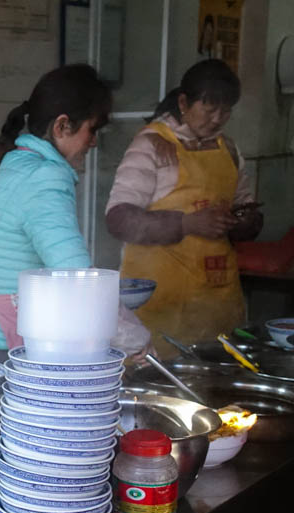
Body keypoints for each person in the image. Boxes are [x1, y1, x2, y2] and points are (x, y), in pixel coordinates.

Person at [106, 60, 262, 356]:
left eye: (226, 110)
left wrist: (243, 222)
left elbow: (248, 208)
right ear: (183, 103)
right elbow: (119, 219)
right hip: (160, 306)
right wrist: (188, 224)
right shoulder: (152, 145)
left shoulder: (228, 148)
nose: (218, 118)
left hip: (217, 303)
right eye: (209, 108)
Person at [0, 65, 112, 353]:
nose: (94, 141)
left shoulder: (14, 163)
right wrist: (126, 330)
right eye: (93, 129)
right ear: (62, 126)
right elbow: (74, 274)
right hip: (7, 345)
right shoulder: (45, 176)